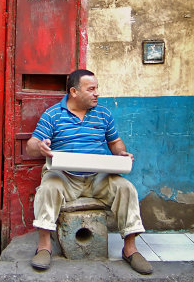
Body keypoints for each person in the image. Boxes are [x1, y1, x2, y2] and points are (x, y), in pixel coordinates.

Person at [26, 69, 153, 275]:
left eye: (97, 89)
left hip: (98, 177)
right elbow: (30, 145)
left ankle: (130, 249)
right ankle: (44, 247)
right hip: (65, 176)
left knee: (125, 188)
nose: (97, 93)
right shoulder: (53, 115)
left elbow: (115, 142)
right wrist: (40, 146)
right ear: (74, 91)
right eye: (91, 89)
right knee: (48, 187)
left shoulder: (103, 114)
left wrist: (121, 153)